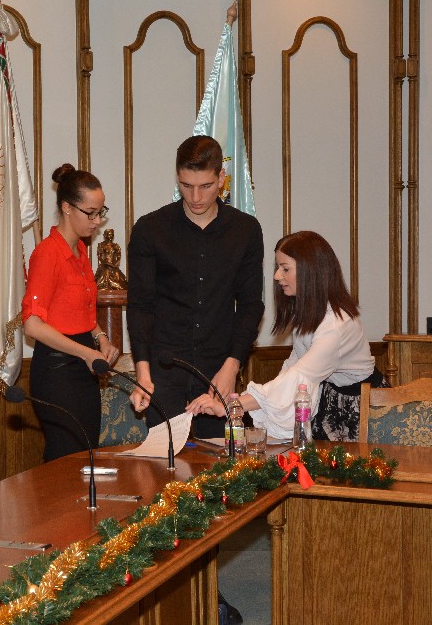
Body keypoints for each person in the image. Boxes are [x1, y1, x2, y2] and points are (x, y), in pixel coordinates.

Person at [187, 230, 386, 441]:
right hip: (329, 400)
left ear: (310, 270)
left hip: (361, 408)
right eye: (278, 268)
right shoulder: (310, 313)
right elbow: (291, 370)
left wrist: (231, 406)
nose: (276, 276)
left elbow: (296, 379)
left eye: (285, 269)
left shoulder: (336, 326)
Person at [126, 135, 264, 438]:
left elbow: (251, 305)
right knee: (166, 460)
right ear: (177, 178)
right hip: (164, 370)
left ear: (221, 178)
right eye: (186, 186)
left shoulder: (246, 230)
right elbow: (140, 306)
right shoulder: (150, 229)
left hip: (219, 368)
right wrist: (143, 374)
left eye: (206, 185)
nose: (196, 197)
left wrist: (232, 366)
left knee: (222, 462)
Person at [21, 164, 119, 461]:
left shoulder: (81, 251)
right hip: (57, 371)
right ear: (66, 207)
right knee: (66, 459)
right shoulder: (47, 253)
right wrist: (86, 353)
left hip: (83, 367)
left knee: (86, 457)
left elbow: (80, 314)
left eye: (101, 212)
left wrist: (101, 338)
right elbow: (32, 325)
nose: (97, 221)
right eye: (90, 213)